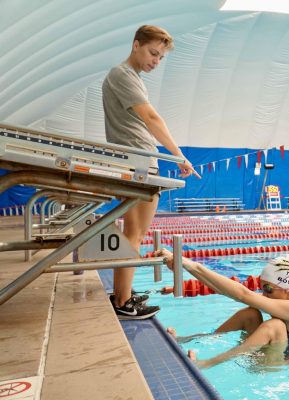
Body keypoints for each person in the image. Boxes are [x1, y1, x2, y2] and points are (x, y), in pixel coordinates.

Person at [102, 25, 199, 319]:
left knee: (134, 233)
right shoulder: (122, 75)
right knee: (134, 234)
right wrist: (180, 156)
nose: (155, 61)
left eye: (160, 57)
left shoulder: (129, 77)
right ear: (136, 45)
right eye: (152, 53)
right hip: (138, 162)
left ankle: (122, 294)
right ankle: (122, 302)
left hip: (136, 160)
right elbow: (152, 118)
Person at [156, 250, 289, 368]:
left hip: (274, 366)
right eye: (262, 288)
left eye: (268, 289)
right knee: (251, 314)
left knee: (276, 326)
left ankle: (205, 364)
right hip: (259, 355)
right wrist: (183, 265)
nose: (263, 294)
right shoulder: (280, 300)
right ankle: (186, 339)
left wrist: (189, 263)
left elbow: (242, 294)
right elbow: (229, 291)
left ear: (288, 289)